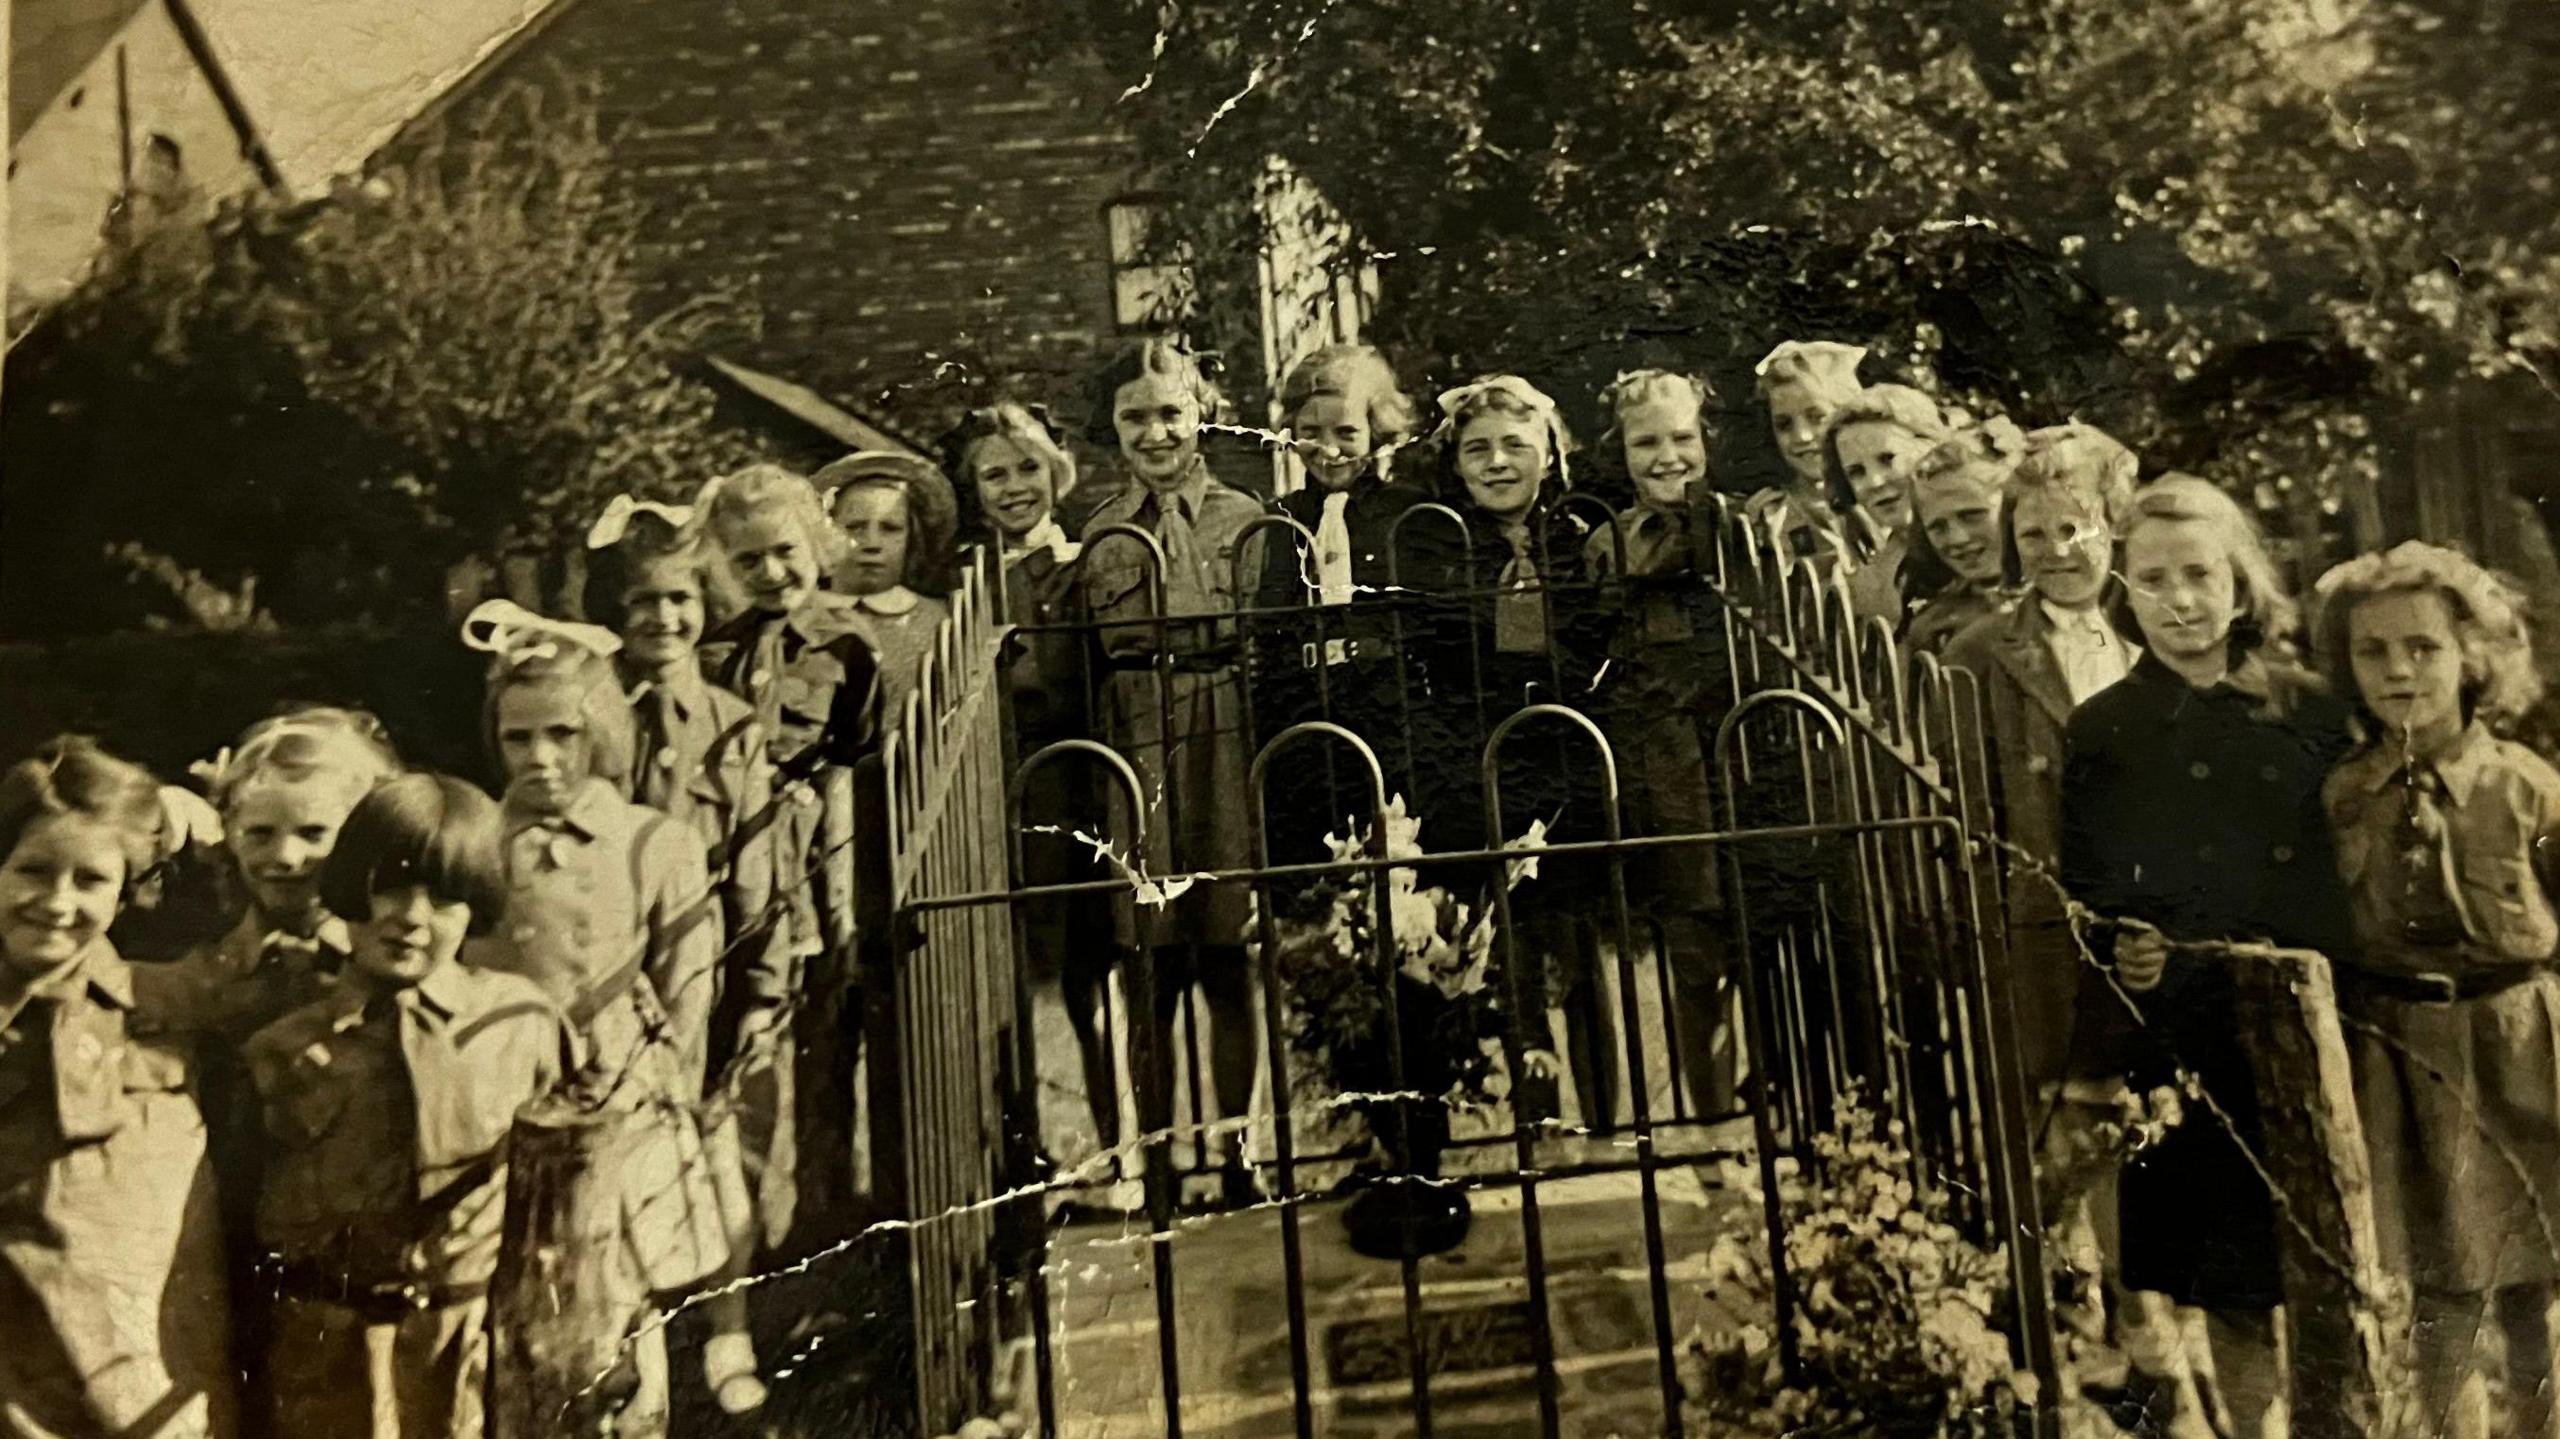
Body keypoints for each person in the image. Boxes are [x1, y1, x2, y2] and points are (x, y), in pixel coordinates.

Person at [2060, 476, 2356, 1439]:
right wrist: (2122, 947)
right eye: (2153, 579)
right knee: (2222, 1279)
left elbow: (2345, 870)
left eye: (2200, 574)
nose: (2181, 600)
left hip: (2317, 1029)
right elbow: (2091, 883)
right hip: (2183, 1037)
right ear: (2122, 589)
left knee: (2321, 1262)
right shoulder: (2105, 728)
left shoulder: (2308, 710)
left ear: (2241, 583)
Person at [2312, 541, 2560, 1439]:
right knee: (2442, 1286)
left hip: (2519, 1048)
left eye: (2423, 647)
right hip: (2402, 1055)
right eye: (2373, 653)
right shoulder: (2344, 796)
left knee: (2535, 1285)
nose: (2399, 670)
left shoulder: (2526, 787)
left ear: (2474, 657)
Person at [465, 604, 729, 1427]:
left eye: (563, 734)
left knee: (624, 1279)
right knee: (514, 1277)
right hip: (507, 1091)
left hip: (626, 1087)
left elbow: (689, 988)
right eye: (520, 739)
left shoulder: (656, 842)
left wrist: (670, 1086)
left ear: (600, 732)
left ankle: (635, 1419)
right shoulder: (476, 839)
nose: (541, 757)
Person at [245, 773, 565, 1439]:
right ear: (351, 885)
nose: (411, 915)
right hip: (319, 1355)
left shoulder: (521, 1023)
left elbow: (566, 1198)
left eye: (444, 896)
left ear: (475, 905)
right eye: (389, 885)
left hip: (465, 1343)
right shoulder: (277, 1045)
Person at [128, 707, 400, 1412]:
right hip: (222, 1220)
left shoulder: (386, 963)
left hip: (340, 1240)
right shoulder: (208, 968)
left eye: (315, 833)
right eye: (260, 833)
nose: (285, 856)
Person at [583, 493, 784, 1414]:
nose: (663, 620)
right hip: (611, 975)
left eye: (680, 601)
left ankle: (729, 1333)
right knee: (617, 1157)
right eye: (641, 604)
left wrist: (761, 989)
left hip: (710, 968)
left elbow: (757, 870)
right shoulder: (580, 714)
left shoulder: (733, 723)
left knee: (719, 1151)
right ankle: (637, 1343)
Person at [0, 737, 236, 1439]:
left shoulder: (166, 1005)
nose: (57, 901)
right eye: (32, 870)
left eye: (91, 879)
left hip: (142, 1383)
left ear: (131, 886)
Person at [1079, 335, 1266, 1203]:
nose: (1155, 433)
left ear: (1203, 415)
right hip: (1138, 745)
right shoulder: (1101, 535)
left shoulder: (1246, 518)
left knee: (1230, 957)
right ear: (1112, 429)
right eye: (1134, 417)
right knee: (1148, 968)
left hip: (1226, 736)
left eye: (1170, 413)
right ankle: (1154, 1164)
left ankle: (1237, 1155)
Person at [1402, 373, 1615, 1136]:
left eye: (1515, 446)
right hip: (1486, 760)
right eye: (1477, 449)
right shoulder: (1441, 543)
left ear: (1550, 456)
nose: (1497, 463)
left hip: (1568, 757)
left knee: (1580, 947)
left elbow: (1601, 640)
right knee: (1510, 951)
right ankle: (1539, 1123)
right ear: (1456, 464)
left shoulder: (1581, 532)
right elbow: (1433, 656)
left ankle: (1608, 1124)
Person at [696, 463, 884, 1245]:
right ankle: (735, 1224)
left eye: (783, 550)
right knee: (739, 1045)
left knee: (822, 1044)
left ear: (814, 540)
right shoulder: (715, 651)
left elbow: (852, 768)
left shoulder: (847, 642)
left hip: (808, 866)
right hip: (729, 872)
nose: (771, 573)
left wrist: (839, 896)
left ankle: (821, 1217)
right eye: (748, 562)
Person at [943, 401, 1123, 1171]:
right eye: (994, 474)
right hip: (991, 796)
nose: (1014, 487)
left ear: (1057, 470)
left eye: (1027, 467)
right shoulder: (960, 585)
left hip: (1077, 786)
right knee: (1005, 978)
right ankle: (1023, 1153)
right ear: (972, 488)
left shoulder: (1090, 564)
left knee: (1091, 977)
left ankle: (1124, 1148)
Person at [1945, 424, 2141, 1105]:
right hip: (2052, 936)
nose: (2057, 551)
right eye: (2033, 535)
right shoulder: (1978, 655)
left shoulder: (2162, 626)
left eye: (2075, 526)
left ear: (2113, 524)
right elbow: (1969, 816)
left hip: (2165, 927)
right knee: (2074, 1126)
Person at [1586, 368, 1738, 1120]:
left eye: (1683, 437)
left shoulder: (1747, 528)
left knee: (1774, 955)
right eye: (1648, 442)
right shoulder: (1606, 545)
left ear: (1706, 439)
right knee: (1693, 954)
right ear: (1622, 453)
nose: (1668, 456)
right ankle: (1713, 1125)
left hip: (1750, 756)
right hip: (1669, 771)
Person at [1251, 344, 1432, 887]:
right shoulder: (1280, 517)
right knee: (1313, 867)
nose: (1327, 449)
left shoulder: (1408, 512)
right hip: (1305, 710)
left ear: (1376, 431)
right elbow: (1269, 624)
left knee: (1396, 857)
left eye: (1347, 433)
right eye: (1310, 432)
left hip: (1387, 707)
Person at [820, 450, 960, 727]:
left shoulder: (942, 621)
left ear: (912, 537)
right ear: (826, 531)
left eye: (890, 528)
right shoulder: (796, 616)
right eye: (855, 527)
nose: (872, 543)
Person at [1819, 384, 1955, 624]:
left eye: (1887, 459)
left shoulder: (1978, 545)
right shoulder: (1872, 580)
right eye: (1856, 472)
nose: (1875, 481)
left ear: (1932, 449)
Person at [1902, 416, 2026, 655]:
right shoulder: (1934, 628)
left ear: (2014, 508)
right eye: (1937, 527)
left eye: (1972, 515)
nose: (1957, 539)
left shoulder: (2074, 597)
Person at [1746, 340, 1866, 561]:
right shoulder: (1769, 518)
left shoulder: (1883, 501)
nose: (1802, 436)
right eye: (1784, 425)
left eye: (1817, 418)